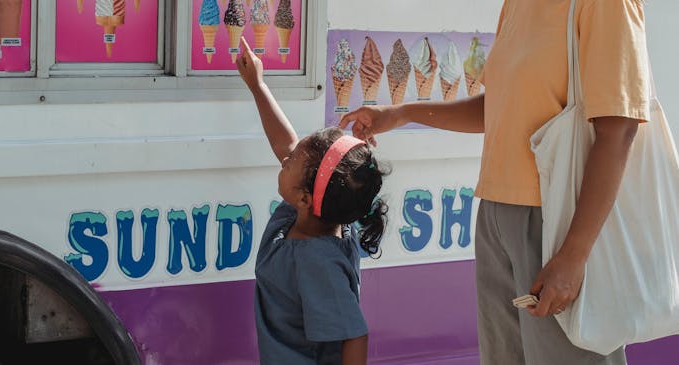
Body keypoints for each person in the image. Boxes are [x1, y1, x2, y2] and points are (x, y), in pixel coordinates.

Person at [339, 0, 650, 364]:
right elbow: (497, 106)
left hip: (560, 219)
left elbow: (619, 127)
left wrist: (573, 256)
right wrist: (400, 113)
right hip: (496, 213)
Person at [236, 36, 389, 365]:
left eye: (291, 163)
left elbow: (354, 334)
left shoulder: (317, 262)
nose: (285, 159)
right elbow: (286, 144)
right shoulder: (307, 213)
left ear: (304, 197)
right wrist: (257, 85)